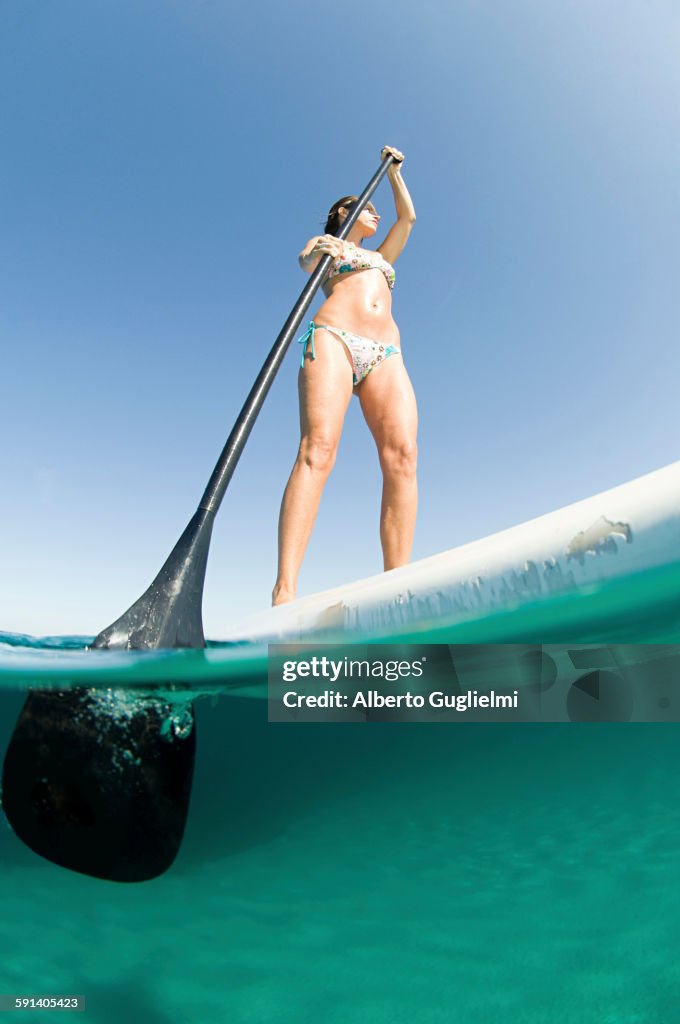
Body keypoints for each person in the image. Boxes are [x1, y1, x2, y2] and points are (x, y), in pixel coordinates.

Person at [272, 145, 417, 607]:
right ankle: (285, 590)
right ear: (340, 215)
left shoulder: (382, 255)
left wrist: (393, 174)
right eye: (361, 207)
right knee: (318, 451)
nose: (372, 212)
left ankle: (397, 582)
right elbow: (306, 262)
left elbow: (407, 219)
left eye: (373, 207)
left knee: (403, 456)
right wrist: (325, 248)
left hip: (384, 351)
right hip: (334, 338)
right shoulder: (327, 246)